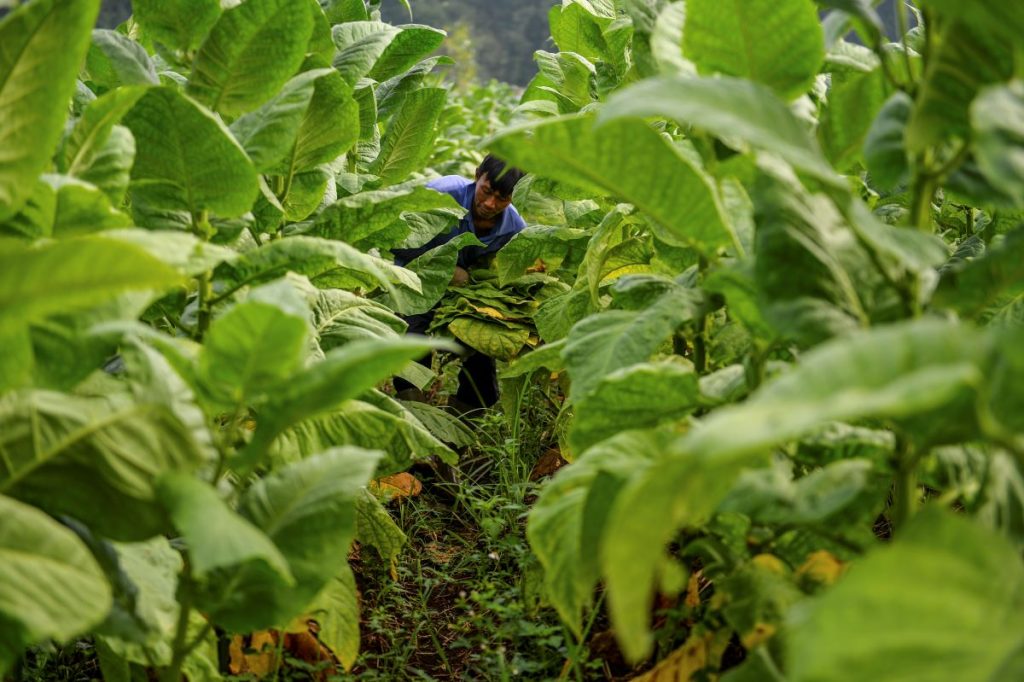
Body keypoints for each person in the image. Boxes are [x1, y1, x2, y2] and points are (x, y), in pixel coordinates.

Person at [392, 154, 526, 410]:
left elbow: (509, 272)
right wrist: (445, 269)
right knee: (413, 348)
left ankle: (457, 435)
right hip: (416, 282)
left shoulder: (514, 229)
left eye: (502, 198)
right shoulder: (442, 195)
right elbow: (396, 239)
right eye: (486, 191)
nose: (490, 203)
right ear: (477, 176)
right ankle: (414, 420)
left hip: (465, 297)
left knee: (482, 374)